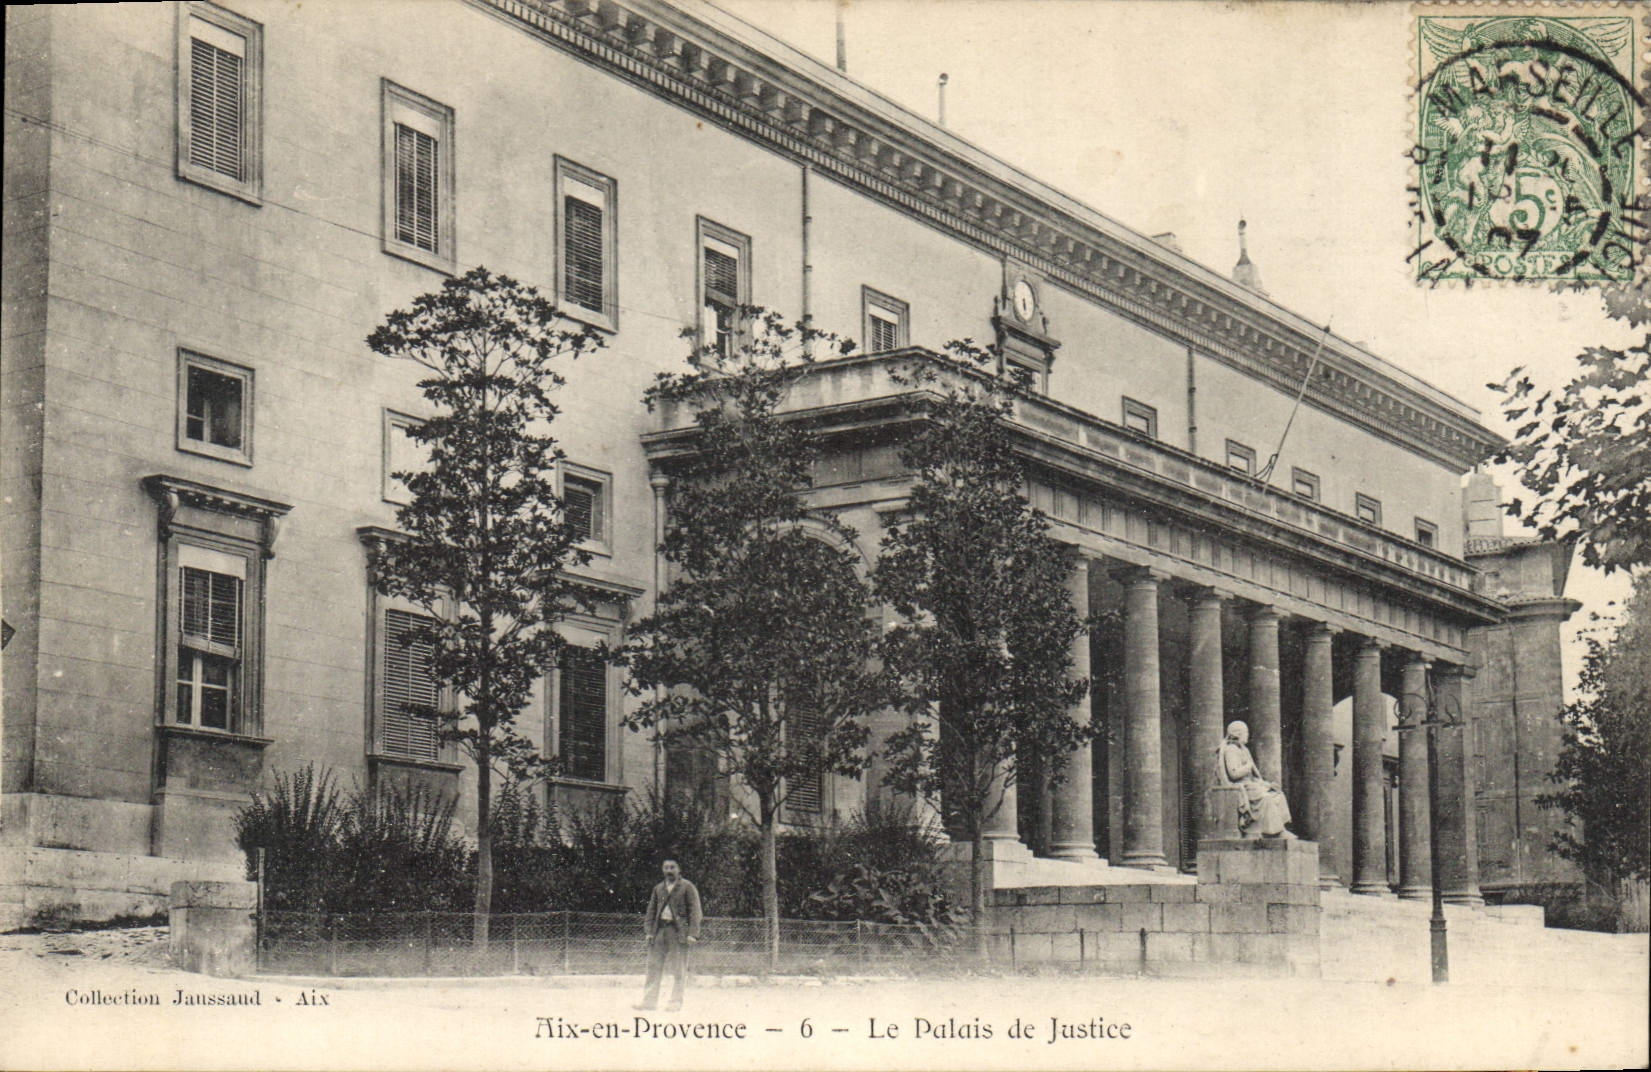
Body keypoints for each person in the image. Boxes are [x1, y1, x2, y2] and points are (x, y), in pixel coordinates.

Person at [636, 858, 702, 1011]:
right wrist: (649, 932)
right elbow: (651, 911)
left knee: (678, 968)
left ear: (679, 869)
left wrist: (693, 933)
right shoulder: (658, 888)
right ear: (662, 869)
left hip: (678, 932)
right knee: (653, 966)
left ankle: (675, 1002)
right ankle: (649, 1002)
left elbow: (695, 911)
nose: (669, 870)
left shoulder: (687, 887)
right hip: (659, 931)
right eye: (666, 867)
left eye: (672, 867)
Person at [1217, 721, 1295, 838]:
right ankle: (1275, 832)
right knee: (1266, 798)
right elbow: (1234, 774)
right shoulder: (1231, 750)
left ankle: (1280, 829)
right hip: (1242, 786)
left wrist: (1267, 784)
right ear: (1238, 734)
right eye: (1245, 732)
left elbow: (1254, 777)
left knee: (1278, 795)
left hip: (1252, 784)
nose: (1247, 735)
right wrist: (1248, 766)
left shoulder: (1244, 750)